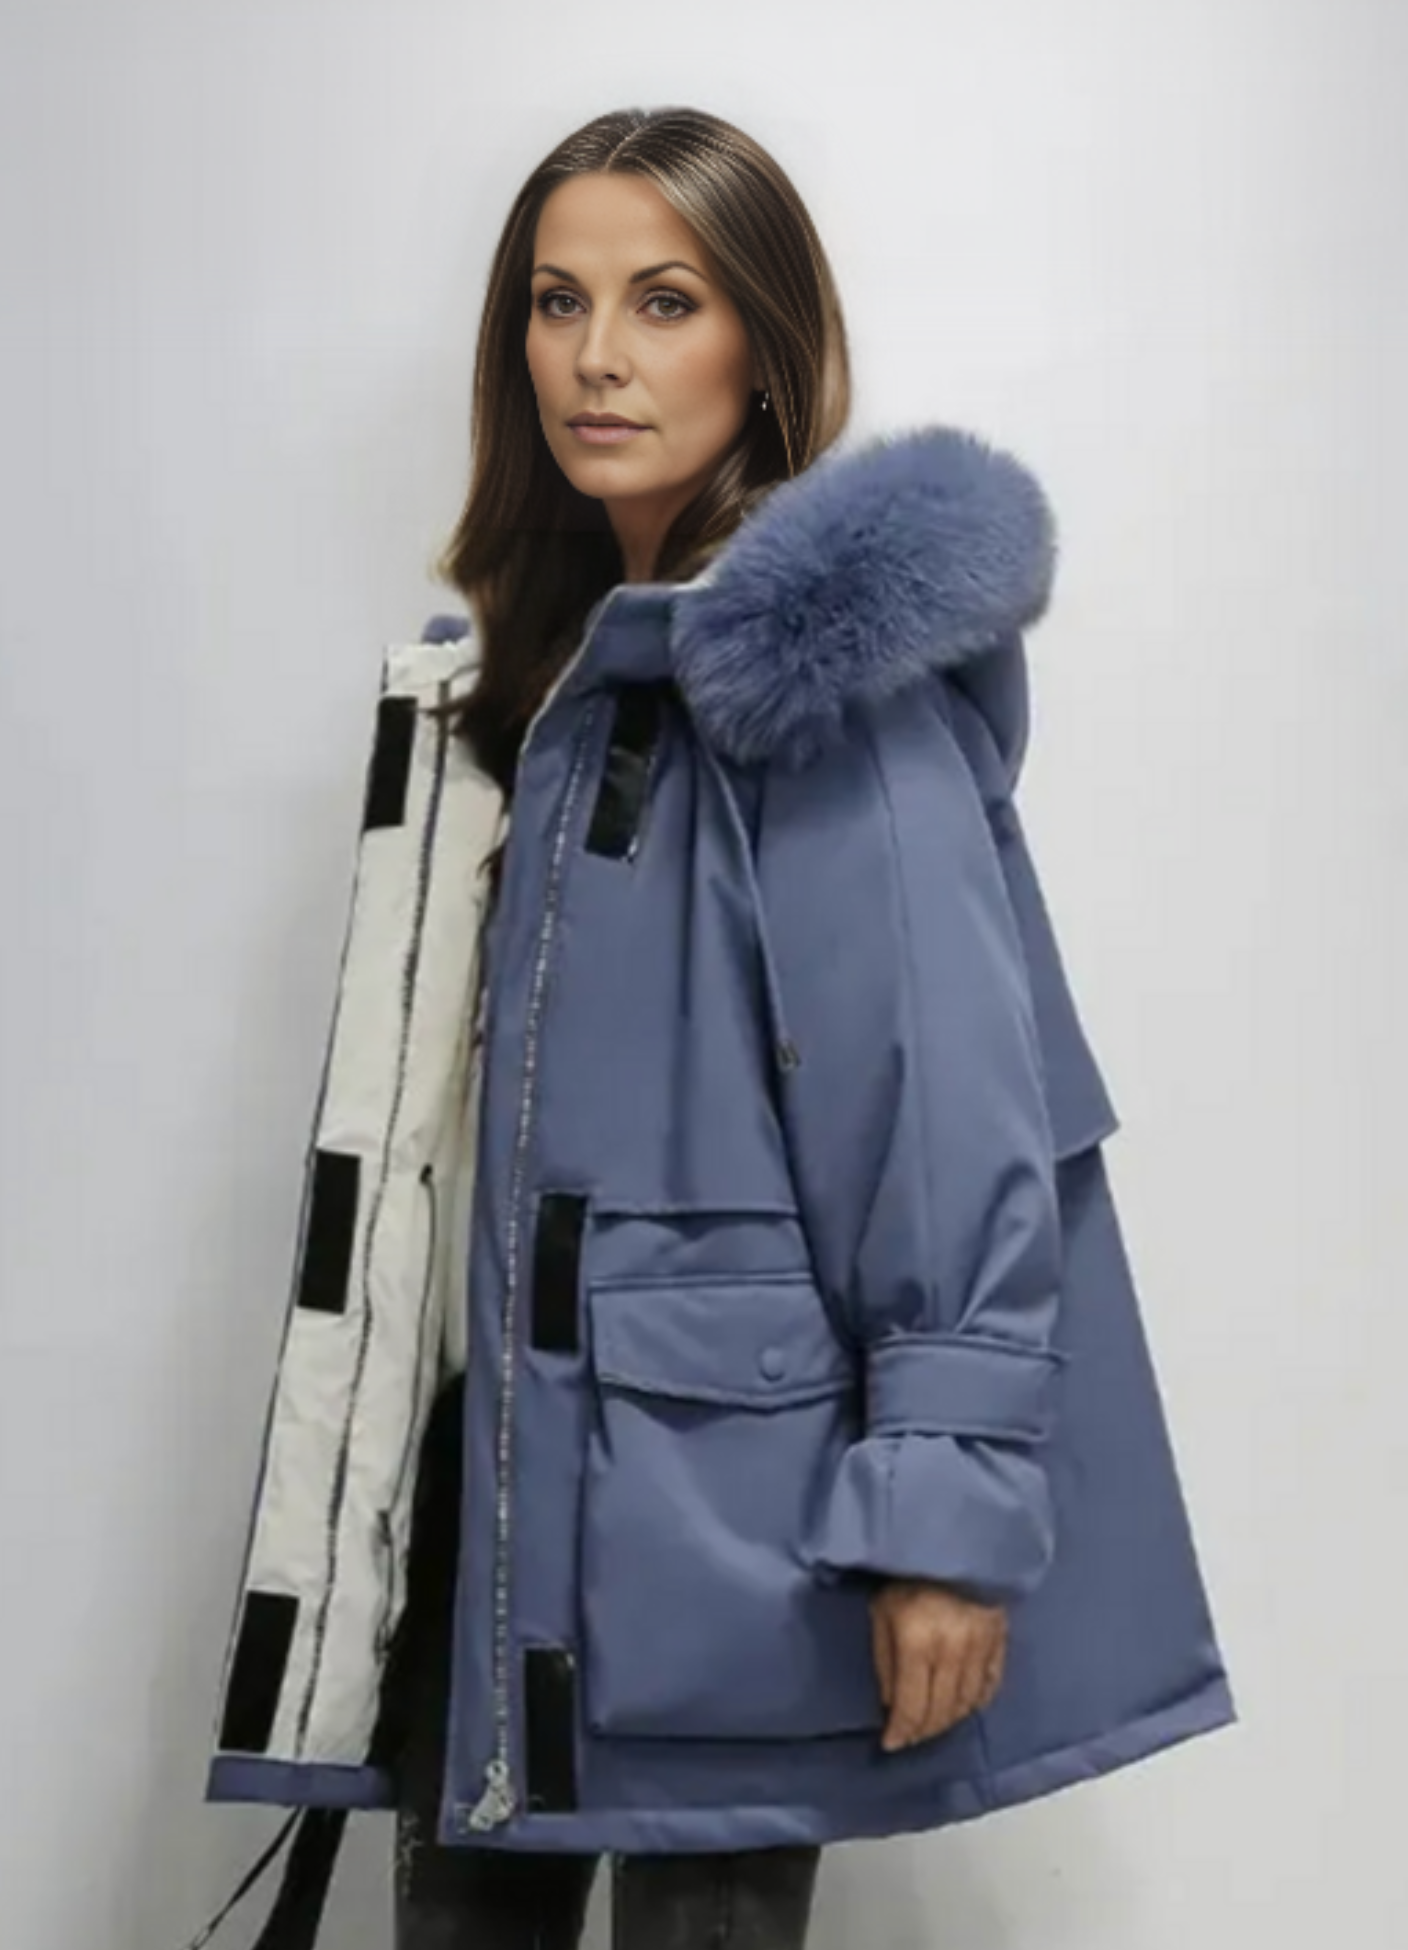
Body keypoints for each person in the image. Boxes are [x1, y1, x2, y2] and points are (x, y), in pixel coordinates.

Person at [187, 105, 1236, 1950]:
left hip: (734, 1533)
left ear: (765, 343)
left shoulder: (824, 695)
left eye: (663, 302)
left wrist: (945, 1516)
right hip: (507, 1504)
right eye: (557, 301)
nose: (597, 356)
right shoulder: (540, 693)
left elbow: (945, 1114)